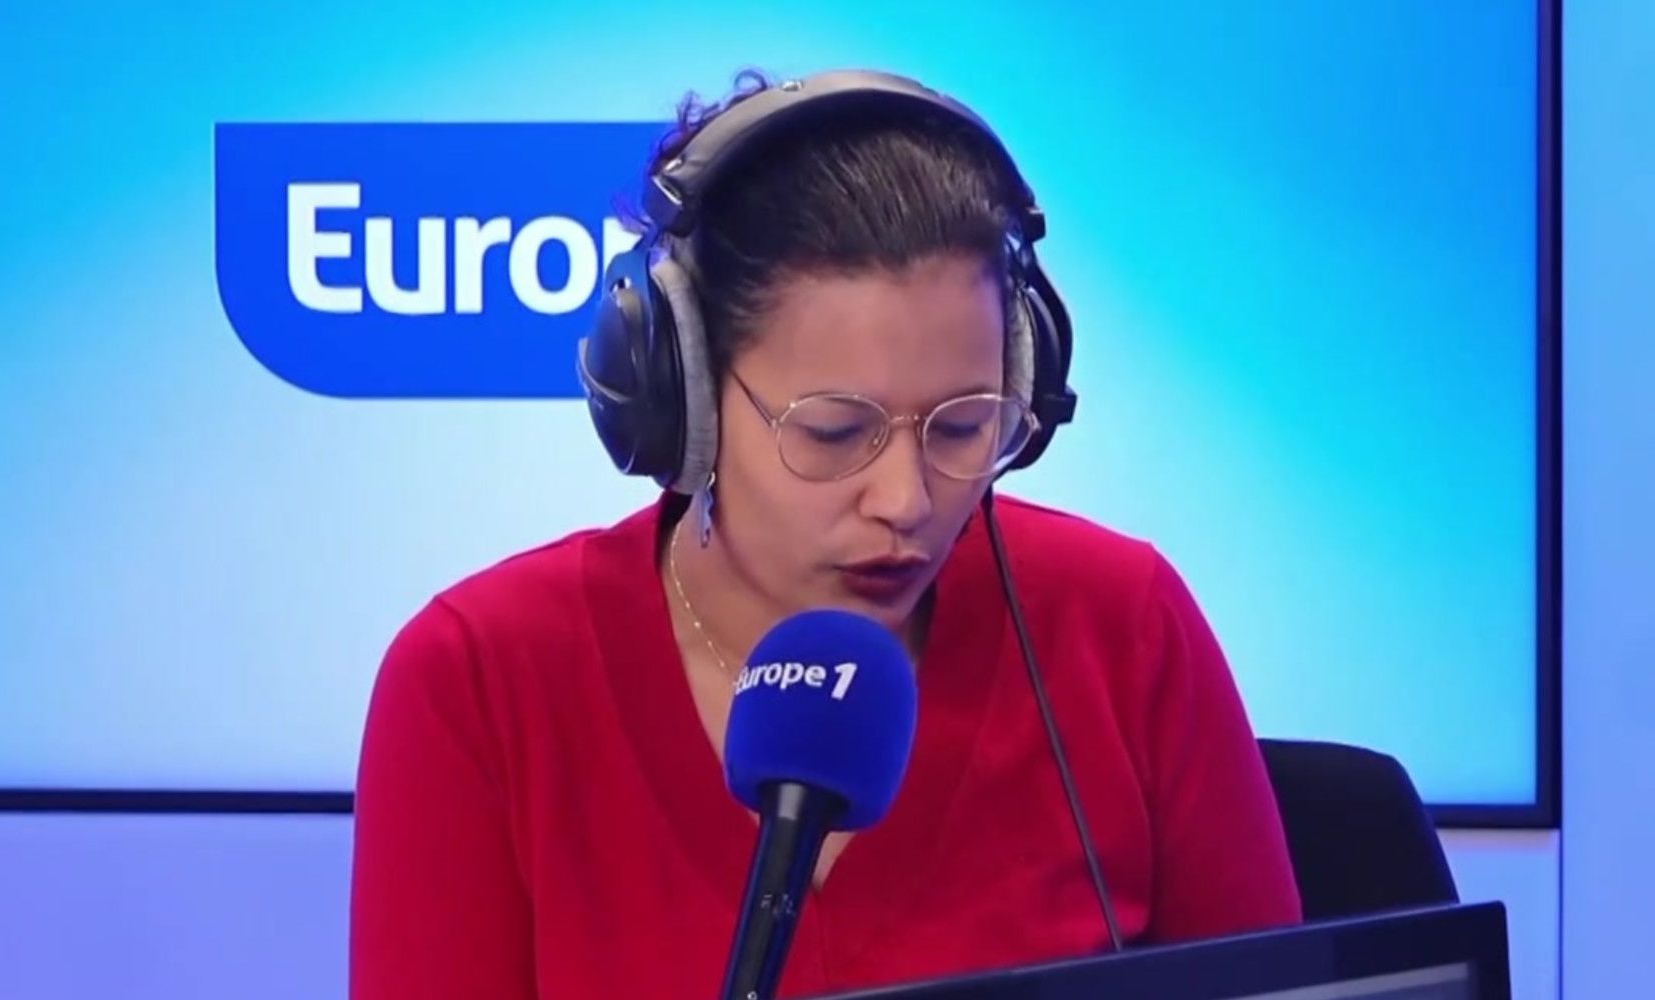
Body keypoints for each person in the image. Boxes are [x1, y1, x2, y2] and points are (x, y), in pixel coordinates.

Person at [349, 68, 1301, 1000]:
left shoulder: (1121, 626)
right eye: (835, 433)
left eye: (963, 427)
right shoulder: (479, 683)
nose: (905, 501)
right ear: (685, 404)